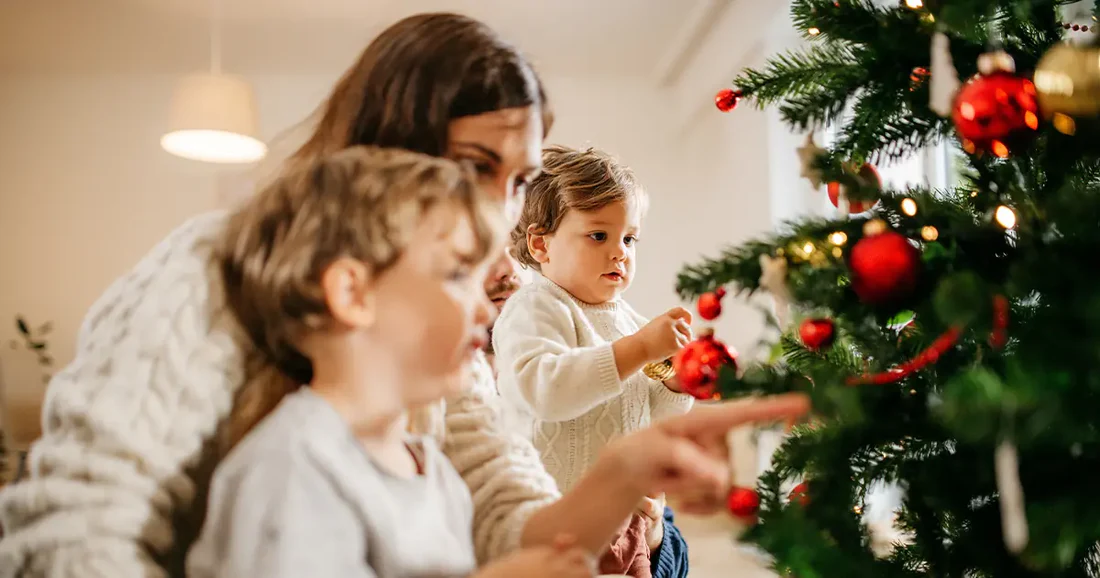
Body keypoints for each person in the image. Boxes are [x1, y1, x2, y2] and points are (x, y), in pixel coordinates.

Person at [0, 12, 809, 578]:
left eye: (519, 179)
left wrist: (626, 473)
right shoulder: (211, 270)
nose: (499, 211)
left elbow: (494, 500)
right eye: (471, 168)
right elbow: (79, 526)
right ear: (382, 147)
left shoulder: (440, 320)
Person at [187, 146, 592, 578]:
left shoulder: (429, 467)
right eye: (458, 276)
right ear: (352, 294)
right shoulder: (289, 468)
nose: (486, 311)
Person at [493, 145, 695, 578]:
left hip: (631, 518)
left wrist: (676, 384)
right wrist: (640, 349)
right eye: (598, 236)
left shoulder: (628, 320)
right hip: (555, 522)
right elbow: (544, 390)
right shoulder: (536, 307)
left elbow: (651, 414)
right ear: (540, 244)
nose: (619, 252)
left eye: (629, 238)